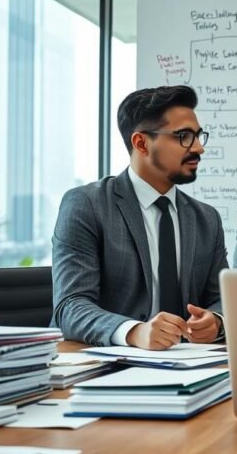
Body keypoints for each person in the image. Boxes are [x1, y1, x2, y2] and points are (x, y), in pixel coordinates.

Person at [52, 85, 227, 350]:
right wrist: (134, 332)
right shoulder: (87, 205)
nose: (198, 149)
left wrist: (216, 320)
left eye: (198, 136)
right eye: (183, 136)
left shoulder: (206, 219)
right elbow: (70, 306)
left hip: (190, 365)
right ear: (141, 143)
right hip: (107, 367)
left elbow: (220, 297)